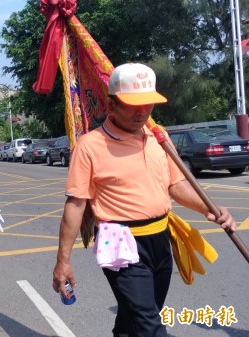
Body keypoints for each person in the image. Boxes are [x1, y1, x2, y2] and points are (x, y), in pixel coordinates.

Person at [51, 63, 237, 337]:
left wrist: (210, 209)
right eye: (133, 104)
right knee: (148, 324)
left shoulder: (158, 137)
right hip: (118, 241)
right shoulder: (90, 146)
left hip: (160, 236)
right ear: (111, 105)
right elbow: (76, 205)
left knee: (136, 317)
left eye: (148, 103)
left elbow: (175, 184)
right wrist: (63, 260)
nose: (143, 112)